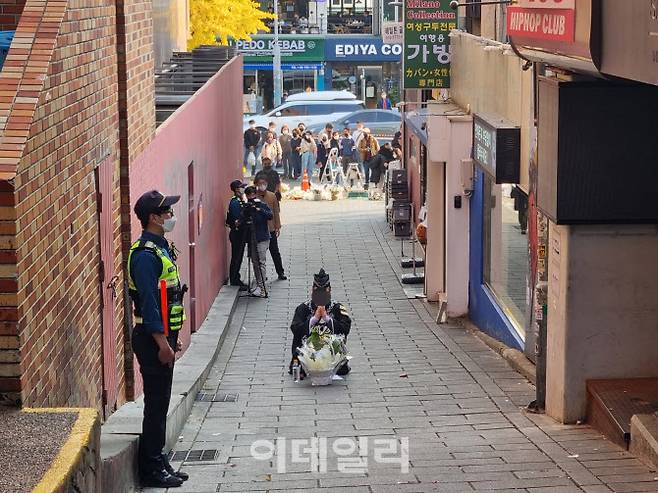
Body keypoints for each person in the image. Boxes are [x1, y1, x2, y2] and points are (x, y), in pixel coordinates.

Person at [128, 190, 189, 488]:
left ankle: (158, 457)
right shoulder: (144, 256)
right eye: (166, 212)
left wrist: (171, 337)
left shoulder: (160, 248)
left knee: (161, 403)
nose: (170, 216)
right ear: (153, 217)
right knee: (155, 404)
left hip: (162, 337)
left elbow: (167, 299)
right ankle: (151, 467)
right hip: (151, 341)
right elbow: (150, 304)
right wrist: (162, 343)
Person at [289, 269, 351, 378]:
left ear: (330, 291)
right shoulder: (303, 308)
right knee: (297, 365)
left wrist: (328, 319)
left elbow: (345, 329)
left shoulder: (338, 308)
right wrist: (313, 320)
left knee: (341, 368)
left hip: (331, 354)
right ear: (312, 291)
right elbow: (295, 329)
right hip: (308, 353)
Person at [243, 186, 273, 297]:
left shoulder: (262, 205)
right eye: (248, 196)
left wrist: (258, 209)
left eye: (251, 195)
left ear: (255, 194)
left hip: (262, 238)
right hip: (252, 238)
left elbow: (270, 216)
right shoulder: (248, 207)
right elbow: (244, 218)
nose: (250, 198)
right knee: (255, 262)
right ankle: (258, 284)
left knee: (261, 262)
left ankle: (262, 287)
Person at [255, 176, 287, 281]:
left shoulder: (272, 196)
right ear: (256, 185)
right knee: (260, 254)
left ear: (267, 184)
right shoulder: (254, 196)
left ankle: (280, 272)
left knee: (275, 251)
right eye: (260, 184)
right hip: (259, 230)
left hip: (271, 228)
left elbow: (276, 212)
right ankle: (261, 275)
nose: (262, 186)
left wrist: (278, 226)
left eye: (264, 183)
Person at [226, 180, 249, 291]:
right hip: (237, 233)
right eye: (241, 187)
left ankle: (236, 277)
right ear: (236, 189)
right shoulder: (235, 202)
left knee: (238, 257)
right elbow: (237, 219)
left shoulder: (240, 201)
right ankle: (235, 279)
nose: (243, 189)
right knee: (236, 257)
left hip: (240, 233)